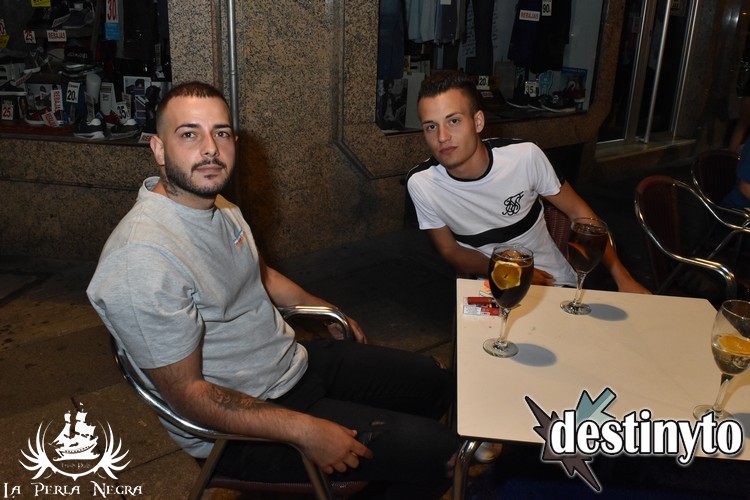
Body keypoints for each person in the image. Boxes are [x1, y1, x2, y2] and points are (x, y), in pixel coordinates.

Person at [87, 81, 459, 498]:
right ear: (158, 149)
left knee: (437, 382)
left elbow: (259, 274)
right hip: (236, 430)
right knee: (445, 455)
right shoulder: (141, 259)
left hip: (288, 365)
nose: (210, 149)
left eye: (221, 133)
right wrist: (305, 431)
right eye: (189, 134)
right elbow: (189, 397)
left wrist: (324, 309)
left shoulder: (218, 205)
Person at [408, 70, 650, 293]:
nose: (442, 137)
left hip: (552, 282)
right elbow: (449, 249)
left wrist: (623, 279)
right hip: (489, 287)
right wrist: (508, 270)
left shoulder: (524, 157)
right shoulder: (422, 183)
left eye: (453, 121)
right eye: (431, 126)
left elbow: (579, 213)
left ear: (478, 122)